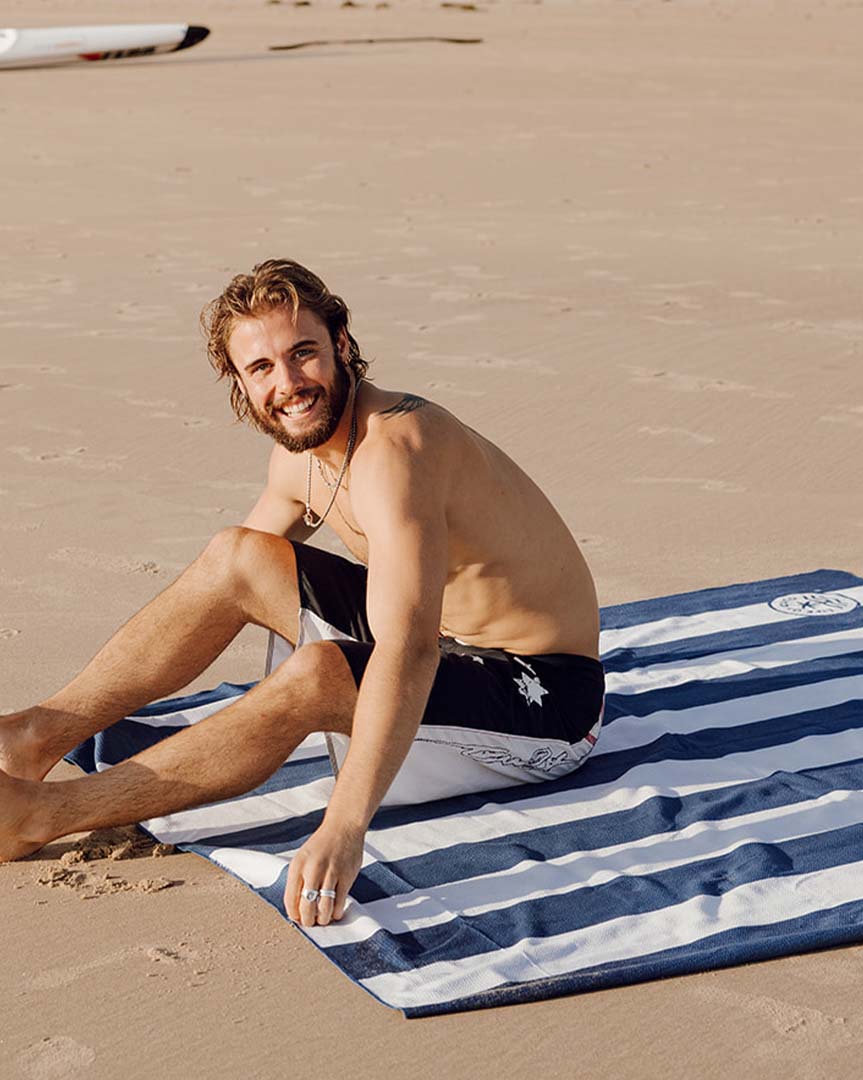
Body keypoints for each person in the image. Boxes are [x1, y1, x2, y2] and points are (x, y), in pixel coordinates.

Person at [0, 259, 603, 927]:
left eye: (303, 354)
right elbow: (225, 588)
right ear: (239, 381)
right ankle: (32, 735)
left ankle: (40, 816)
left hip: (546, 704)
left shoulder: (397, 452)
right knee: (238, 553)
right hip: (450, 649)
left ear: (341, 344)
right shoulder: (301, 450)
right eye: (262, 368)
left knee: (317, 674)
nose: (288, 385)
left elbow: (407, 650)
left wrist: (344, 827)